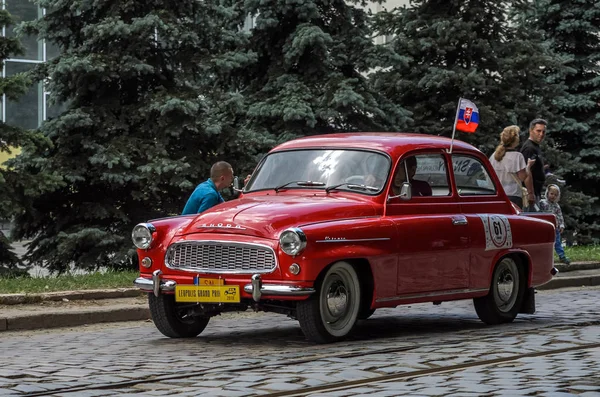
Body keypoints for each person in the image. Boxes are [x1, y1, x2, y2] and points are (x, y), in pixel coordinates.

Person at [489, 125, 535, 209]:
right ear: (515, 139)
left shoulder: (494, 156)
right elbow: (522, 177)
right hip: (513, 196)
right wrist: (528, 166)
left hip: (497, 195)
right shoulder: (517, 156)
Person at [539, 184, 571, 265]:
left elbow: (560, 216)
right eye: (551, 193)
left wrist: (561, 225)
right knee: (545, 242)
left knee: (557, 242)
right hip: (545, 227)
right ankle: (543, 257)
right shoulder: (542, 203)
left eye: (555, 195)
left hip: (555, 227)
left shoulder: (556, 206)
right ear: (547, 193)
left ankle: (562, 256)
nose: (553, 196)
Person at [520, 118, 547, 210]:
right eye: (538, 131)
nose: (541, 134)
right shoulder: (529, 148)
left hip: (536, 192)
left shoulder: (536, 147)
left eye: (543, 132)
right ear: (531, 130)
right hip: (530, 195)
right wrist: (530, 193)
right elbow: (526, 171)